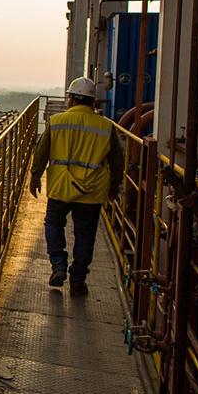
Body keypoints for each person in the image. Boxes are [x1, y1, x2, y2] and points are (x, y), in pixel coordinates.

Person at [29, 76, 123, 297]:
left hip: (61, 187)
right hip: (92, 190)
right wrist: (114, 187)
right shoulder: (106, 127)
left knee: (53, 223)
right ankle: (78, 280)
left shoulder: (57, 121)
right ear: (93, 102)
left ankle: (58, 265)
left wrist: (35, 177)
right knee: (85, 235)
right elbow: (117, 161)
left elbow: (41, 152)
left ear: (71, 99)